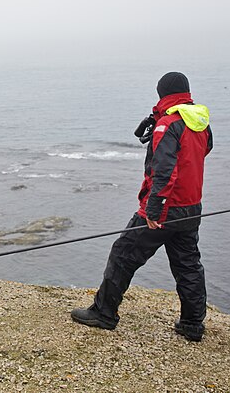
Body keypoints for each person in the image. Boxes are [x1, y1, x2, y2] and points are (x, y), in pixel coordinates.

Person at [71, 71, 213, 341]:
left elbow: (164, 171)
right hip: (192, 207)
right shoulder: (200, 123)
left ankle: (104, 313)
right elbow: (202, 153)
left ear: (163, 94)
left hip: (164, 208)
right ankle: (192, 324)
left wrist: (154, 209)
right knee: (188, 265)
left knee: (123, 254)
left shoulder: (167, 125)